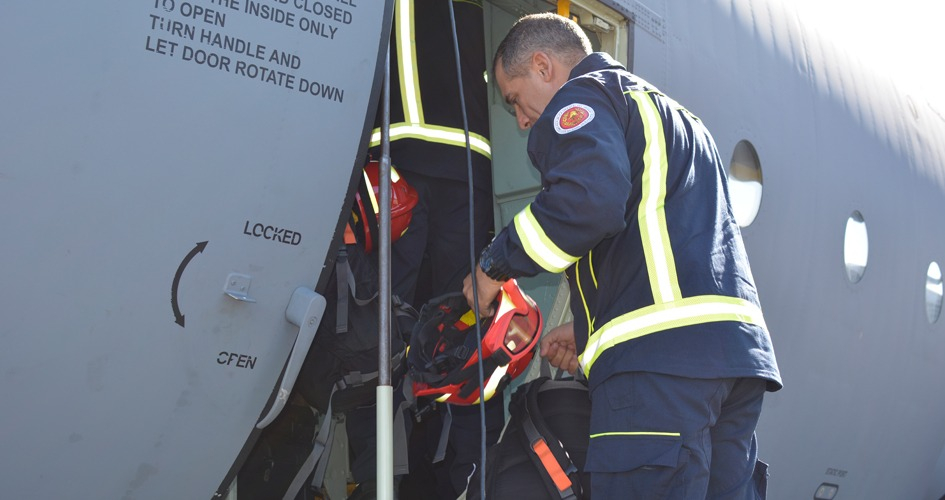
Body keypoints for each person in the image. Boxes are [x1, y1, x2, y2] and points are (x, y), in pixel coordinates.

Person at [463, 13, 782, 499]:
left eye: (515, 101)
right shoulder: (677, 117)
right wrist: (593, 330)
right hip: (734, 365)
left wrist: (492, 266)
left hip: (659, 371)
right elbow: (669, 248)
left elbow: (587, 203)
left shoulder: (585, 97)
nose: (524, 121)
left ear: (543, 66)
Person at [367, 1, 502, 498]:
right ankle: (402, 473)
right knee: (394, 331)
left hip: (441, 167)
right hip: (412, 165)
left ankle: (466, 477)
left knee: (461, 332)